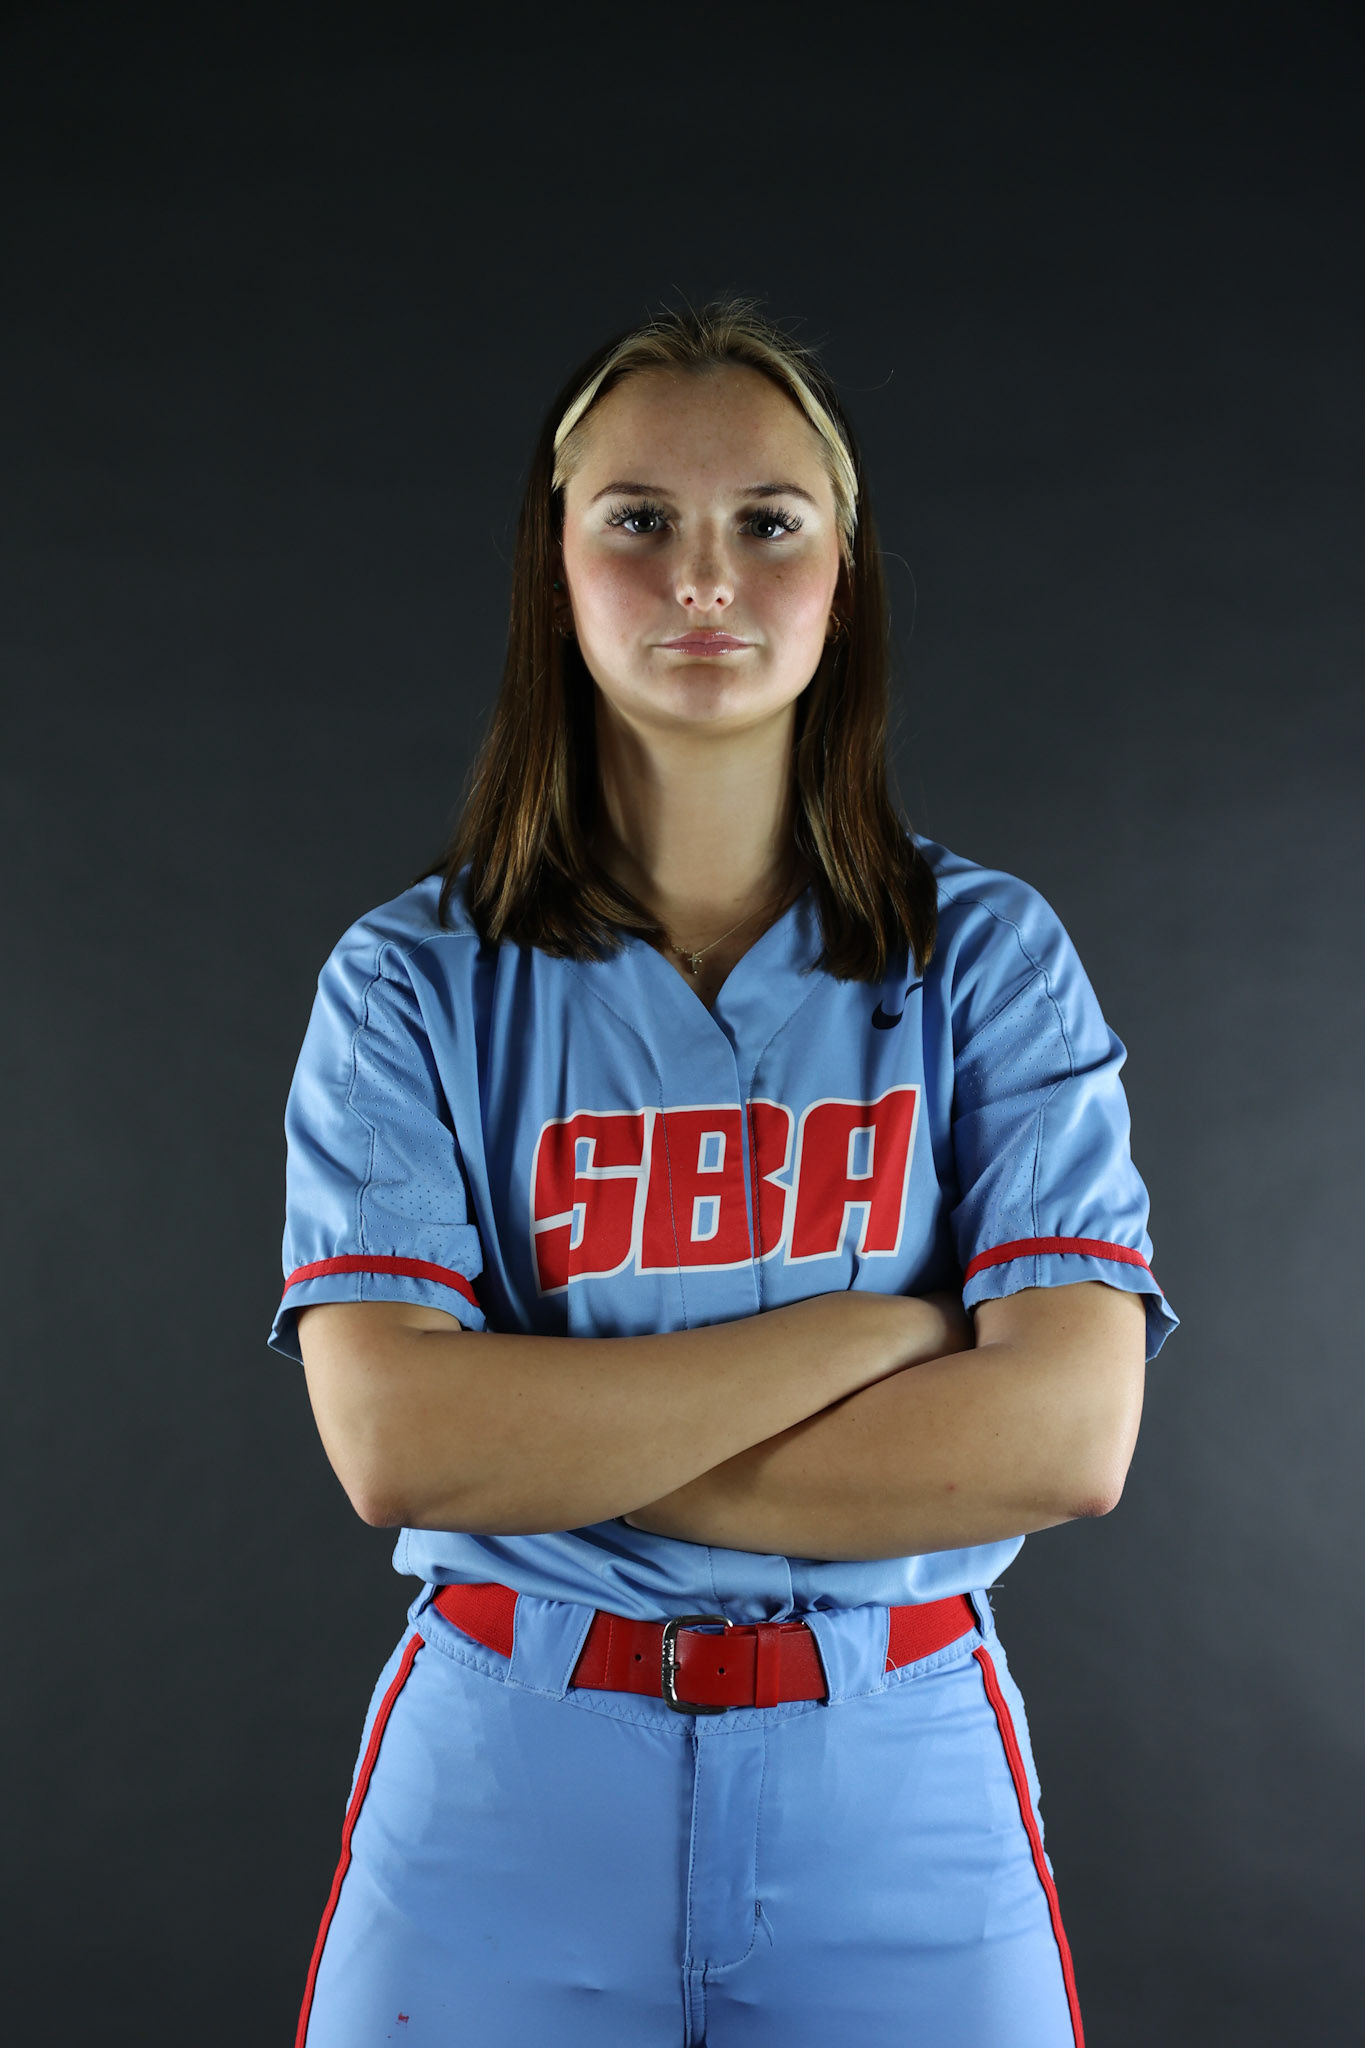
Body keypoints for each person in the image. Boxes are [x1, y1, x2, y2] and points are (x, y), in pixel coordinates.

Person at [268, 295, 1178, 2048]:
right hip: (508, 1786)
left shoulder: (981, 955)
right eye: (639, 521)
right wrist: (879, 1328)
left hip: (897, 1769)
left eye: (768, 522)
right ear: (556, 568)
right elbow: (399, 1448)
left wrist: (553, 1446)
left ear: (844, 579)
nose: (706, 577)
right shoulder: (408, 981)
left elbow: (1068, 1438)